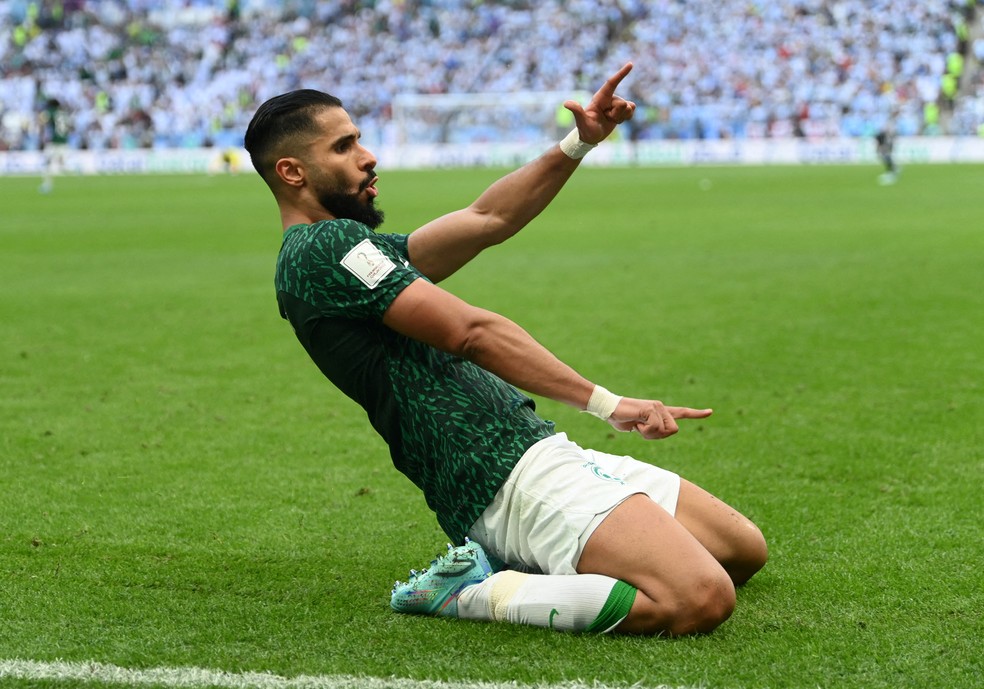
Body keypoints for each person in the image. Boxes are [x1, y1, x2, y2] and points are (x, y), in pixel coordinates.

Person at [243, 63, 767, 637]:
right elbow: (472, 332)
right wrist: (606, 403)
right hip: (496, 477)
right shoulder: (322, 247)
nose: (368, 157)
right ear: (292, 171)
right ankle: (469, 592)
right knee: (699, 598)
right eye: (344, 147)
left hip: (530, 447)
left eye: (360, 140)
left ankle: (538, 560)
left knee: (742, 550)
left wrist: (577, 143)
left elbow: (487, 218)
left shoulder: (348, 249)